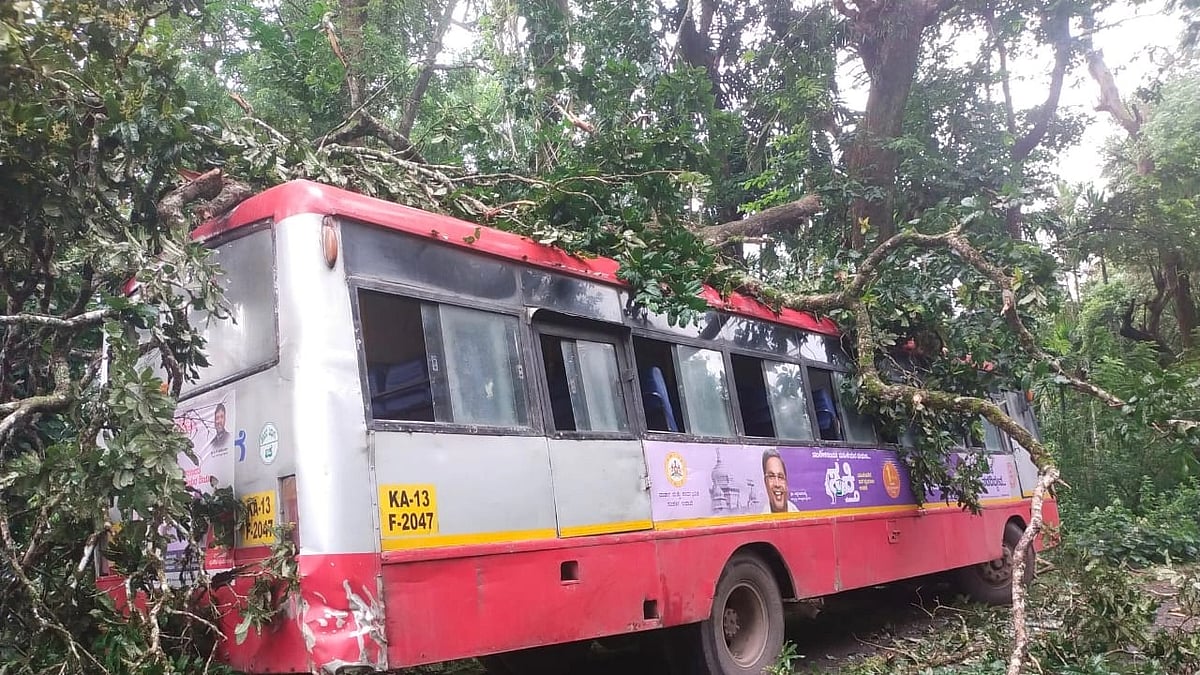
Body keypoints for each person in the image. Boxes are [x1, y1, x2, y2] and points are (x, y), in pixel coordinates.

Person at [761, 448, 799, 513]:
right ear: (765, 482)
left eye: (780, 477)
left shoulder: (800, 517)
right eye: (771, 476)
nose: (777, 484)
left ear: (786, 482)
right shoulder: (760, 520)